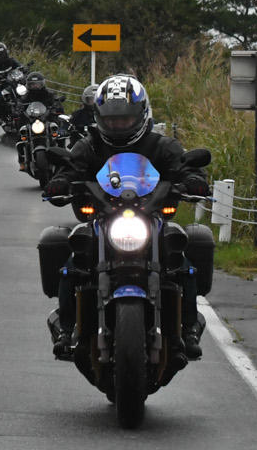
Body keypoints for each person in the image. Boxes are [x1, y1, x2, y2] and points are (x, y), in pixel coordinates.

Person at [42, 73, 210, 361]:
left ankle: (189, 326)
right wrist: (60, 182)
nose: (118, 125)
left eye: (125, 120)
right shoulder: (90, 145)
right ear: (99, 118)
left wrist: (194, 179)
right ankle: (66, 326)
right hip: (105, 218)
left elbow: (183, 165)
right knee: (74, 255)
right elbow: (71, 167)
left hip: (150, 216)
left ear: (141, 114)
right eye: (111, 120)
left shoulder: (161, 145)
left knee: (181, 254)